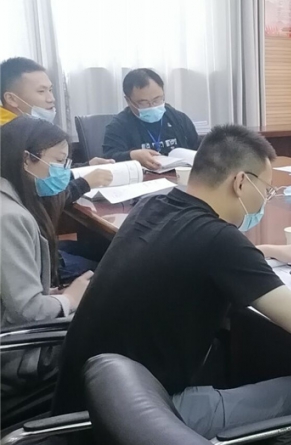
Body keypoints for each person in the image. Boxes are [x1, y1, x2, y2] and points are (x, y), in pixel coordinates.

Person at [53, 125, 291, 445]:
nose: (264, 200)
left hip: (79, 409)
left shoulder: (152, 205)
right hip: (127, 426)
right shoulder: (220, 241)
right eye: (266, 189)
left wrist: (266, 250)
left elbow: (191, 249)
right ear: (240, 182)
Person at [1, 118, 94, 397]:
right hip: (17, 355)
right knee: (117, 329)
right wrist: (69, 300)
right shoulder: (9, 218)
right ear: (26, 160)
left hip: (16, 335)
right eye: (59, 161)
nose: (63, 171)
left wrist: (52, 296)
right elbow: (27, 311)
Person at [1, 57, 115, 195]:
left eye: (50, 90)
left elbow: (45, 175)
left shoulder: (29, 127)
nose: (51, 99)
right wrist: (85, 183)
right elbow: (39, 197)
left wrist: (86, 167)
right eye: (41, 91)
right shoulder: (8, 138)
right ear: (12, 99)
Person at [103, 68, 199, 169]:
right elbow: (108, 159)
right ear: (128, 100)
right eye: (143, 103)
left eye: (157, 100)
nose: (152, 106)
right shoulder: (118, 126)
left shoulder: (178, 119)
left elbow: (199, 149)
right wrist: (131, 155)